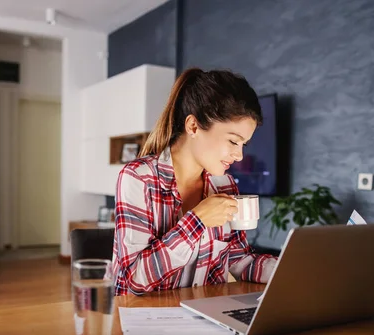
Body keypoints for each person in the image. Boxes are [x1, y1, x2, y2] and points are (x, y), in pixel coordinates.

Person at [109, 68, 278, 296]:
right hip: (141, 318)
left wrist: (289, 268)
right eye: (232, 141)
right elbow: (134, 281)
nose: (239, 156)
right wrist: (197, 221)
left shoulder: (225, 185)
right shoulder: (138, 178)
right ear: (193, 126)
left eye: (243, 145)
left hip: (203, 317)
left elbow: (239, 259)